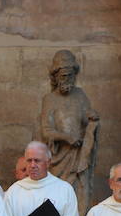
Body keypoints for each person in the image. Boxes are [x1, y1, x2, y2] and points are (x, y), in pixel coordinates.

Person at [39, 49, 99, 207]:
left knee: (82, 192)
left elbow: (87, 119)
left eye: (70, 75)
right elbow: (47, 131)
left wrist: (92, 117)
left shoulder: (80, 95)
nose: (67, 80)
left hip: (79, 155)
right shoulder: (49, 100)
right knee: (59, 197)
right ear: (56, 77)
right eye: (63, 76)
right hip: (59, 158)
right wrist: (68, 138)